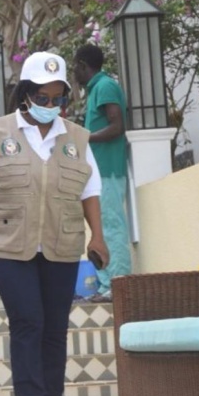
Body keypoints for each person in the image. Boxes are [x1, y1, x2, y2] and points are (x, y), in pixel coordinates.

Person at [0, 51, 109, 396]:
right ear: (25, 94)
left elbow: (90, 191)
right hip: (10, 246)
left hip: (62, 243)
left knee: (55, 325)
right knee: (29, 320)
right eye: (42, 98)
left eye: (58, 99)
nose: (50, 106)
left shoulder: (75, 136)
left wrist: (99, 237)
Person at [73, 44, 131, 302]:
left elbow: (116, 126)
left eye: (75, 66)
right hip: (99, 173)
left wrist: (84, 138)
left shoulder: (105, 86)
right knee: (103, 228)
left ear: (83, 65)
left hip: (109, 170)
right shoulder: (97, 88)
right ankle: (107, 283)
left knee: (111, 227)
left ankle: (118, 286)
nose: (74, 71)